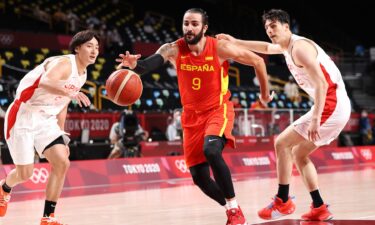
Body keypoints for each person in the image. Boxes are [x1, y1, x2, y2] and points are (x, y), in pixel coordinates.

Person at [116, 8, 272, 225]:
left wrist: (264, 96)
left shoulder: (219, 48)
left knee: (211, 150)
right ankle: (231, 209)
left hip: (218, 110)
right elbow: (149, 64)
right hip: (190, 117)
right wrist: (135, 65)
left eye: (194, 24)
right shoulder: (173, 49)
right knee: (199, 178)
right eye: (186, 23)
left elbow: (258, 61)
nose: (189, 28)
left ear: (204, 28)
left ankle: (235, 209)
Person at [217, 9, 351, 221]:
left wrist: (316, 118)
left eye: (274, 26)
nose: (270, 31)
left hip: (331, 104)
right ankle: (319, 207)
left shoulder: (300, 49)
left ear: (286, 27)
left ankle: (283, 199)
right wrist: (237, 41)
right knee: (298, 154)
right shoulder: (287, 46)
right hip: (335, 105)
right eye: (267, 27)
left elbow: (322, 84)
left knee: (282, 143)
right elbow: (267, 48)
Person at [0, 30, 99, 224]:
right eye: (89, 46)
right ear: (77, 48)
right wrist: (70, 92)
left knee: (62, 162)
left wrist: (61, 133)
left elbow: (62, 104)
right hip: (24, 114)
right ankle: (4, 188)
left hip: (46, 119)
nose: (94, 50)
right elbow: (46, 82)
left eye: (97, 47)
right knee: (25, 174)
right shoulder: (64, 63)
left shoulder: (83, 74)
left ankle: (48, 217)